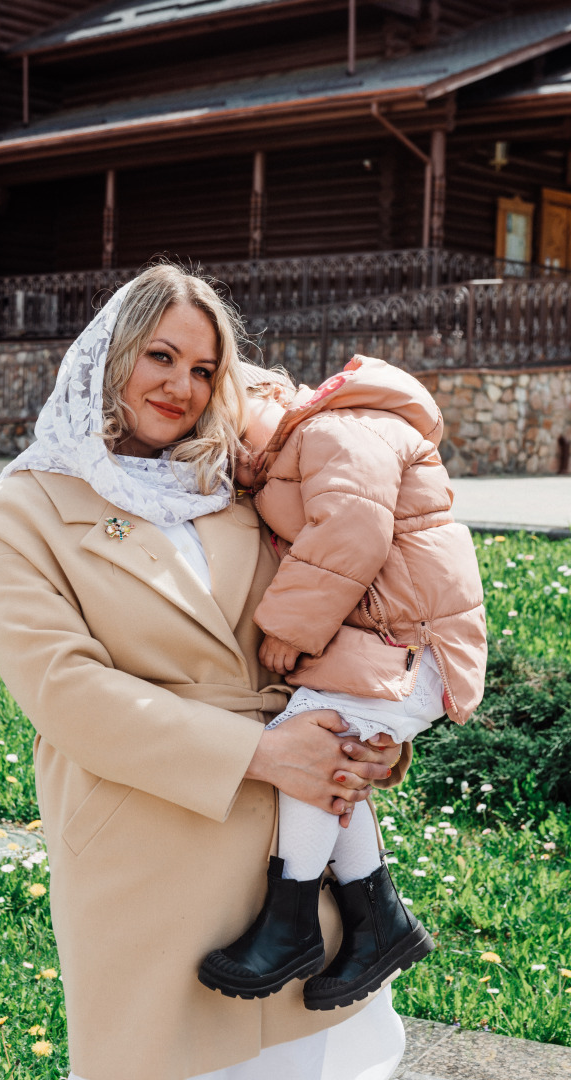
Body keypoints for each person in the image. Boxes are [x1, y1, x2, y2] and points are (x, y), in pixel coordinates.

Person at [0, 264, 409, 1080]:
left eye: (204, 369)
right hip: (149, 850)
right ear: (111, 354)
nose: (182, 386)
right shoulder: (21, 512)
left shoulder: (235, 490)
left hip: (290, 860)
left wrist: (367, 743)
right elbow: (65, 691)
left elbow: (320, 639)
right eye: (161, 357)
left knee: (311, 1065)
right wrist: (260, 755)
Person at [198, 357, 487, 1011]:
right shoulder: (295, 453)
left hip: (414, 640)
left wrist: (291, 628)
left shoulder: (337, 429)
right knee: (336, 754)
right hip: (395, 637)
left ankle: (291, 917)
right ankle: (377, 918)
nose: (235, 457)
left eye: (233, 432)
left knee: (313, 738)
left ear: (274, 394)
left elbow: (353, 529)